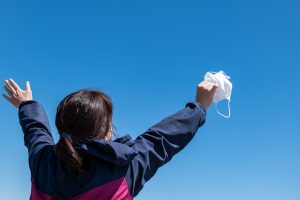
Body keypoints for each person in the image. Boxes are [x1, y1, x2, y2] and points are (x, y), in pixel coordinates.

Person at [2, 78, 217, 200]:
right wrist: (199, 107)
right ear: (106, 132)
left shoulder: (43, 163)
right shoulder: (124, 168)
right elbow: (163, 138)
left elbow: (35, 131)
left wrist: (27, 103)